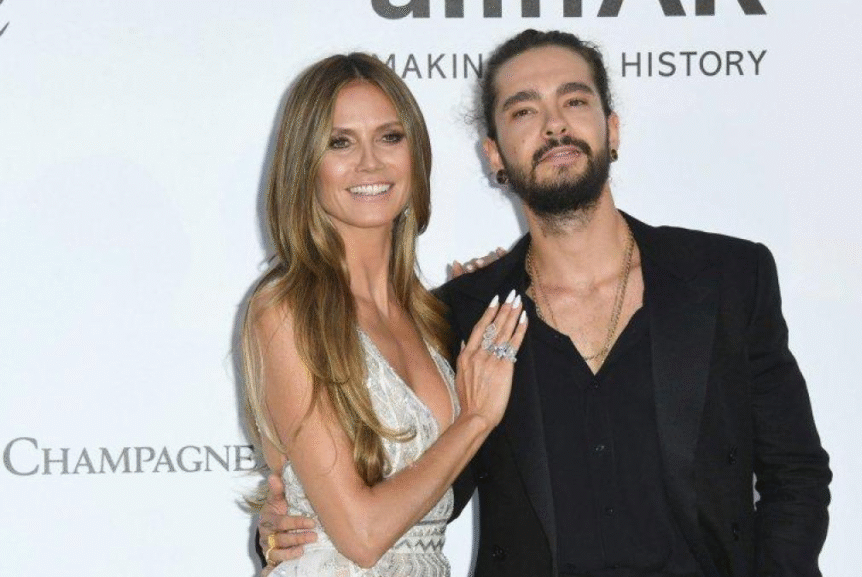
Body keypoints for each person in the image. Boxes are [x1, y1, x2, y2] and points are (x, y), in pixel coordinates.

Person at [261, 31, 832, 577]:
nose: (555, 124)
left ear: (612, 129)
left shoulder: (726, 279)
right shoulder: (461, 316)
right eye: (524, 111)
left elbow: (796, 474)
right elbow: (419, 493)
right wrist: (294, 524)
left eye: (574, 101)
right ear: (494, 155)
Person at [242, 52, 527, 577]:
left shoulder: (431, 317)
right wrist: (474, 419)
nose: (370, 163)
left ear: (415, 153)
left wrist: (483, 290)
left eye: (390, 137)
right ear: (304, 164)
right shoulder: (285, 308)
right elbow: (362, 536)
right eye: (340, 142)